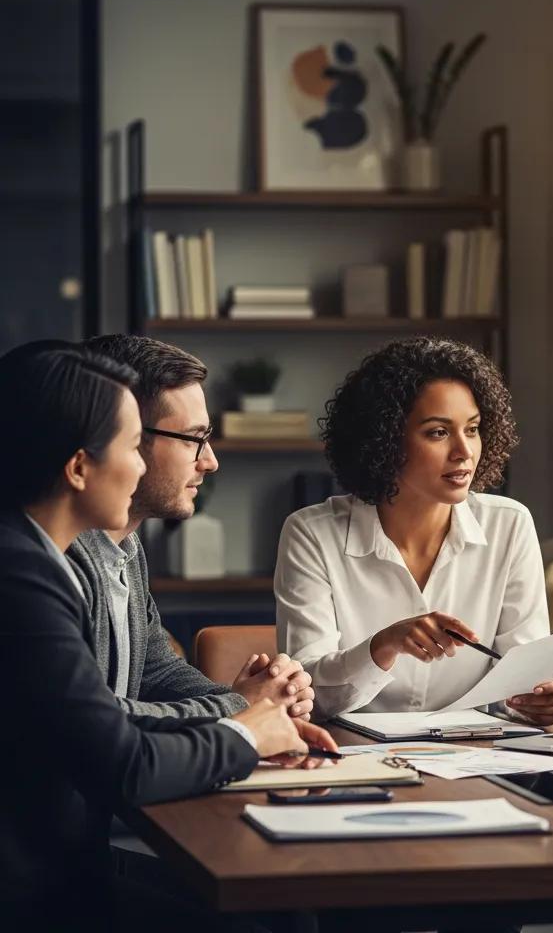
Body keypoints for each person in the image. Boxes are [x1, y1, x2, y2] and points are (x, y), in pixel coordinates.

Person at [0, 343, 338, 931]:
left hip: (63, 861)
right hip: (33, 889)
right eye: (131, 446)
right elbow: (120, 752)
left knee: (285, 913)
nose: (137, 468)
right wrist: (244, 725)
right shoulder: (23, 576)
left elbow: (142, 680)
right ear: (78, 467)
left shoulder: (67, 553)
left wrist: (254, 713)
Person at [275, 337, 553, 725]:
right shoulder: (312, 535)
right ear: (384, 439)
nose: (464, 451)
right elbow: (308, 696)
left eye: (472, 429)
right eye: (438, 432)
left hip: (474, 751)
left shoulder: (510, 525)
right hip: (348, 751)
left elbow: (519, 681)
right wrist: (383, 646)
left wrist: (535, 699)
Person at [68, 334, 314, 721]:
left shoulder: (126, 548)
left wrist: (263, 703)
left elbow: (157, 672)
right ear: (125, 435)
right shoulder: (59, 559)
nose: (210, 461)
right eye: (193, 439)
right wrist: (240, 707)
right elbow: (95, 721)